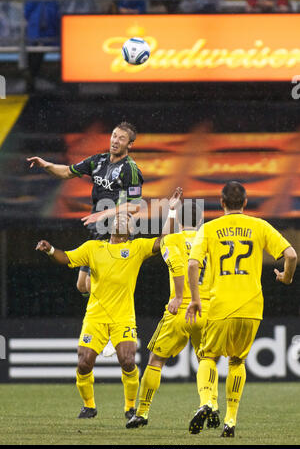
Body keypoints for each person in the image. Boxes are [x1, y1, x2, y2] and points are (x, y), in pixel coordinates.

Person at [35, 187, 182, 422]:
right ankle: (89, 406)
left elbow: (165, 240)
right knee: (84, 362)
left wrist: (172, 211)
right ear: (110, 226)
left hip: (123, 317)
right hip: (95, 317)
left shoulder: (136, 249)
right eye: (118, 217)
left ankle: (130, 408)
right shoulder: (93, 248)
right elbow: (67, 258)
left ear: (132, 229)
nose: (122, 220)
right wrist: (51, 250)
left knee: (127, 359)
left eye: (127, 218)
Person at [186, 181, 297, 437]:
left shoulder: (209, 228)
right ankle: (230, 420)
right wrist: (287, 278)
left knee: (208, 357)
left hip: (220, 304)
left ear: (221, 202)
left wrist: (194, 298)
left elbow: (193, 265)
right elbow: (290, 255)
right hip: (251, 306)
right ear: (245, 203)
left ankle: (207, 402)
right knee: (237, 361)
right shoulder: (259, 226)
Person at [126, 200, 220, 429]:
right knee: (207, 361)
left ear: (178, 221)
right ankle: (211, 405)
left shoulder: (173, 239)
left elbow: (178, 266)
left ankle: (142, 412)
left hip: (181, 310)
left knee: (156, 360)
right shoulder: (210, 241)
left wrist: (179, 297)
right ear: (200, 221)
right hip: (207, 309)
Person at [27, 122, 143, 298]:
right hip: (97, 227)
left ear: (130, 144)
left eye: (121, 138)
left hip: (116, 231)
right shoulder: (98, 161)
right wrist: (45, 165)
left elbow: (135, 205)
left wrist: (105, 213)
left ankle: (113, 313)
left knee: (92, 283)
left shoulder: (130, 169)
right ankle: (110, 300)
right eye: (114, 135)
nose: (115, 141)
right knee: (82, 286)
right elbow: (66, 172)